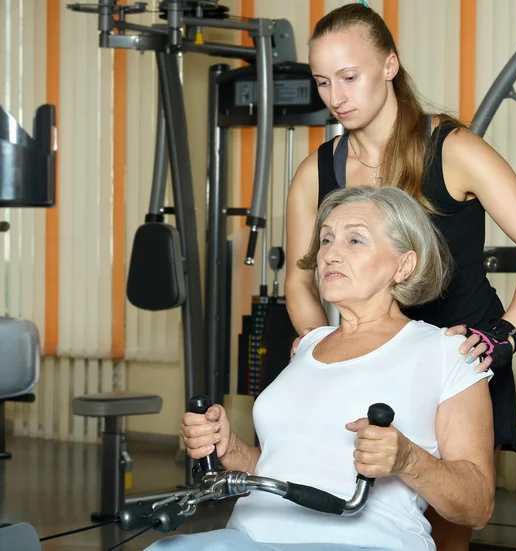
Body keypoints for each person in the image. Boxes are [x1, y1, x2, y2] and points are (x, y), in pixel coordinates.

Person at [284, 4, 516, 549]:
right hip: (367, 368)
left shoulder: (452, 149)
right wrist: (321, 340)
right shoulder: (314, 172)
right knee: (347, 523)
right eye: (322, 81)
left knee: (442, 536)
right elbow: (300, 280)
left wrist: (501, 339)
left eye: (350, 76)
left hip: (453, 367)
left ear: (390, 64)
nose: (335, 96)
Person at [146, 186, 495, 551]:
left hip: (363, 541)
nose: (330, 254)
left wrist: (409, 460)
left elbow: (478, 507)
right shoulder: (309, 344)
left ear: (404, 265)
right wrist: (229, 447)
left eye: (355, 240)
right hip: (247, 537)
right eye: (326, 239)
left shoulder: (446, 351)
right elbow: (284, 470)